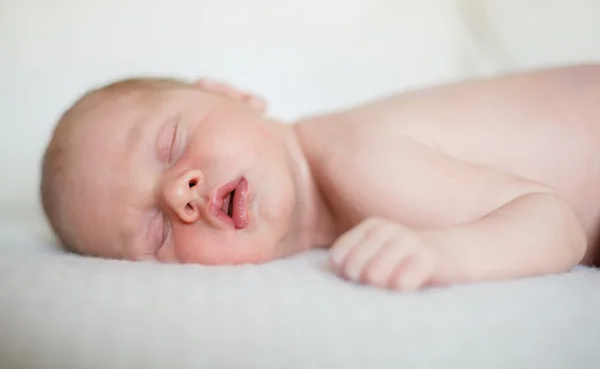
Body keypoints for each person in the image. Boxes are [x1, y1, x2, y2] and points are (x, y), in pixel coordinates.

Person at [40, 63, 600, 292]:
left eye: (171, 145)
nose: (177, 193)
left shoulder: (357, 157)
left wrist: (446, 254)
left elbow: (556, 223)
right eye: (157, 235)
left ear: (230, 94)